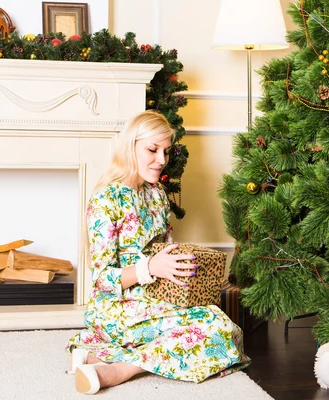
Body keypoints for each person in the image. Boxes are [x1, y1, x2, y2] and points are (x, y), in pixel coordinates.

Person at [65, 110, 250, 394]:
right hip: (116, 308)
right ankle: (118, 371)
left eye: (165, 151)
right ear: (131, 147)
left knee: (226, 328)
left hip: (155, 301)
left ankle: (103, 357)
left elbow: (166, 253)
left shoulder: (157, 194)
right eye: (152, 150)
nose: (162, 160)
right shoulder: (105, 199)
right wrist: (149, 268)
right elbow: (102, 281)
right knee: (215, 327)